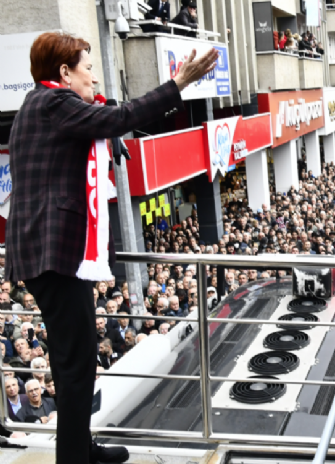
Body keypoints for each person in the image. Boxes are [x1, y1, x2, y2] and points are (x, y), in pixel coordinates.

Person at [5, 31, 217, 464]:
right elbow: (118, 117)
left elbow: (103, 124)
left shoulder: (40, 104)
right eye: (88, 67)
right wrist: (178, 85)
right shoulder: (54, 104)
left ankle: (81, 447)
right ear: (63, 73)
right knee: (77, 364)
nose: (95, 78)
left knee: (72, 361)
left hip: (49, 254)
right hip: (56, 256)